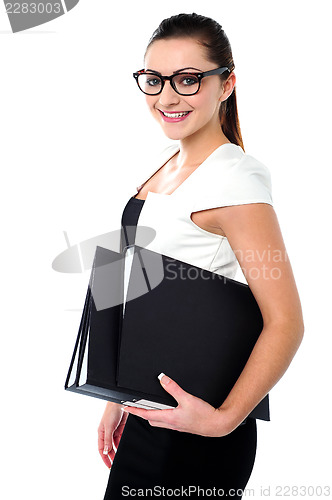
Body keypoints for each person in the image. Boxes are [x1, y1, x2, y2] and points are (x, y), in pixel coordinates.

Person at [98, 12, 304, 499]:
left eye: (188, 79)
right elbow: (137, 289)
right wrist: (117, 397)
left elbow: (286, 320)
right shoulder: (171, 166)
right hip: (149, 413)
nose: (167, 96)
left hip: (196, 429)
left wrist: (223, 421)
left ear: (226, 83)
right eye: (154, 79)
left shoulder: (235, 179)